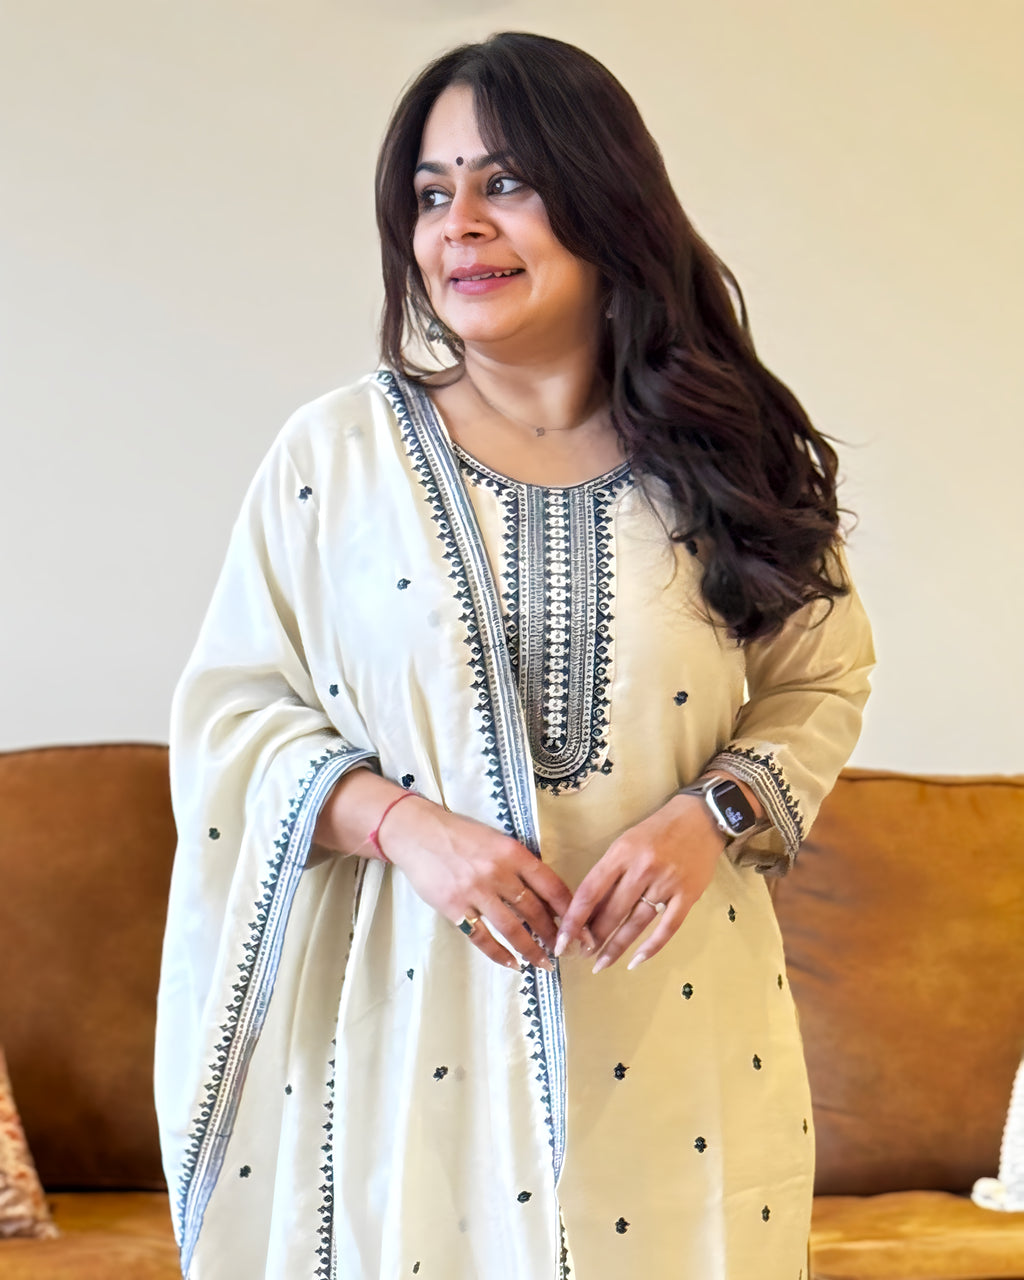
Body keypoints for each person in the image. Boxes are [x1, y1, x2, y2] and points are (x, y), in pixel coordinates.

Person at [155, 31, 874, 1280]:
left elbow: (823, 676)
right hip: (408, 1027)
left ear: (603, 199)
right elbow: (230, 712)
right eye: (433, 195)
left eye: (506, 182)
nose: (460, 227)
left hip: (678, 1022)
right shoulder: (338, 459)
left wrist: (710, 812)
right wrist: (403, 826)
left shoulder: (726, 451)